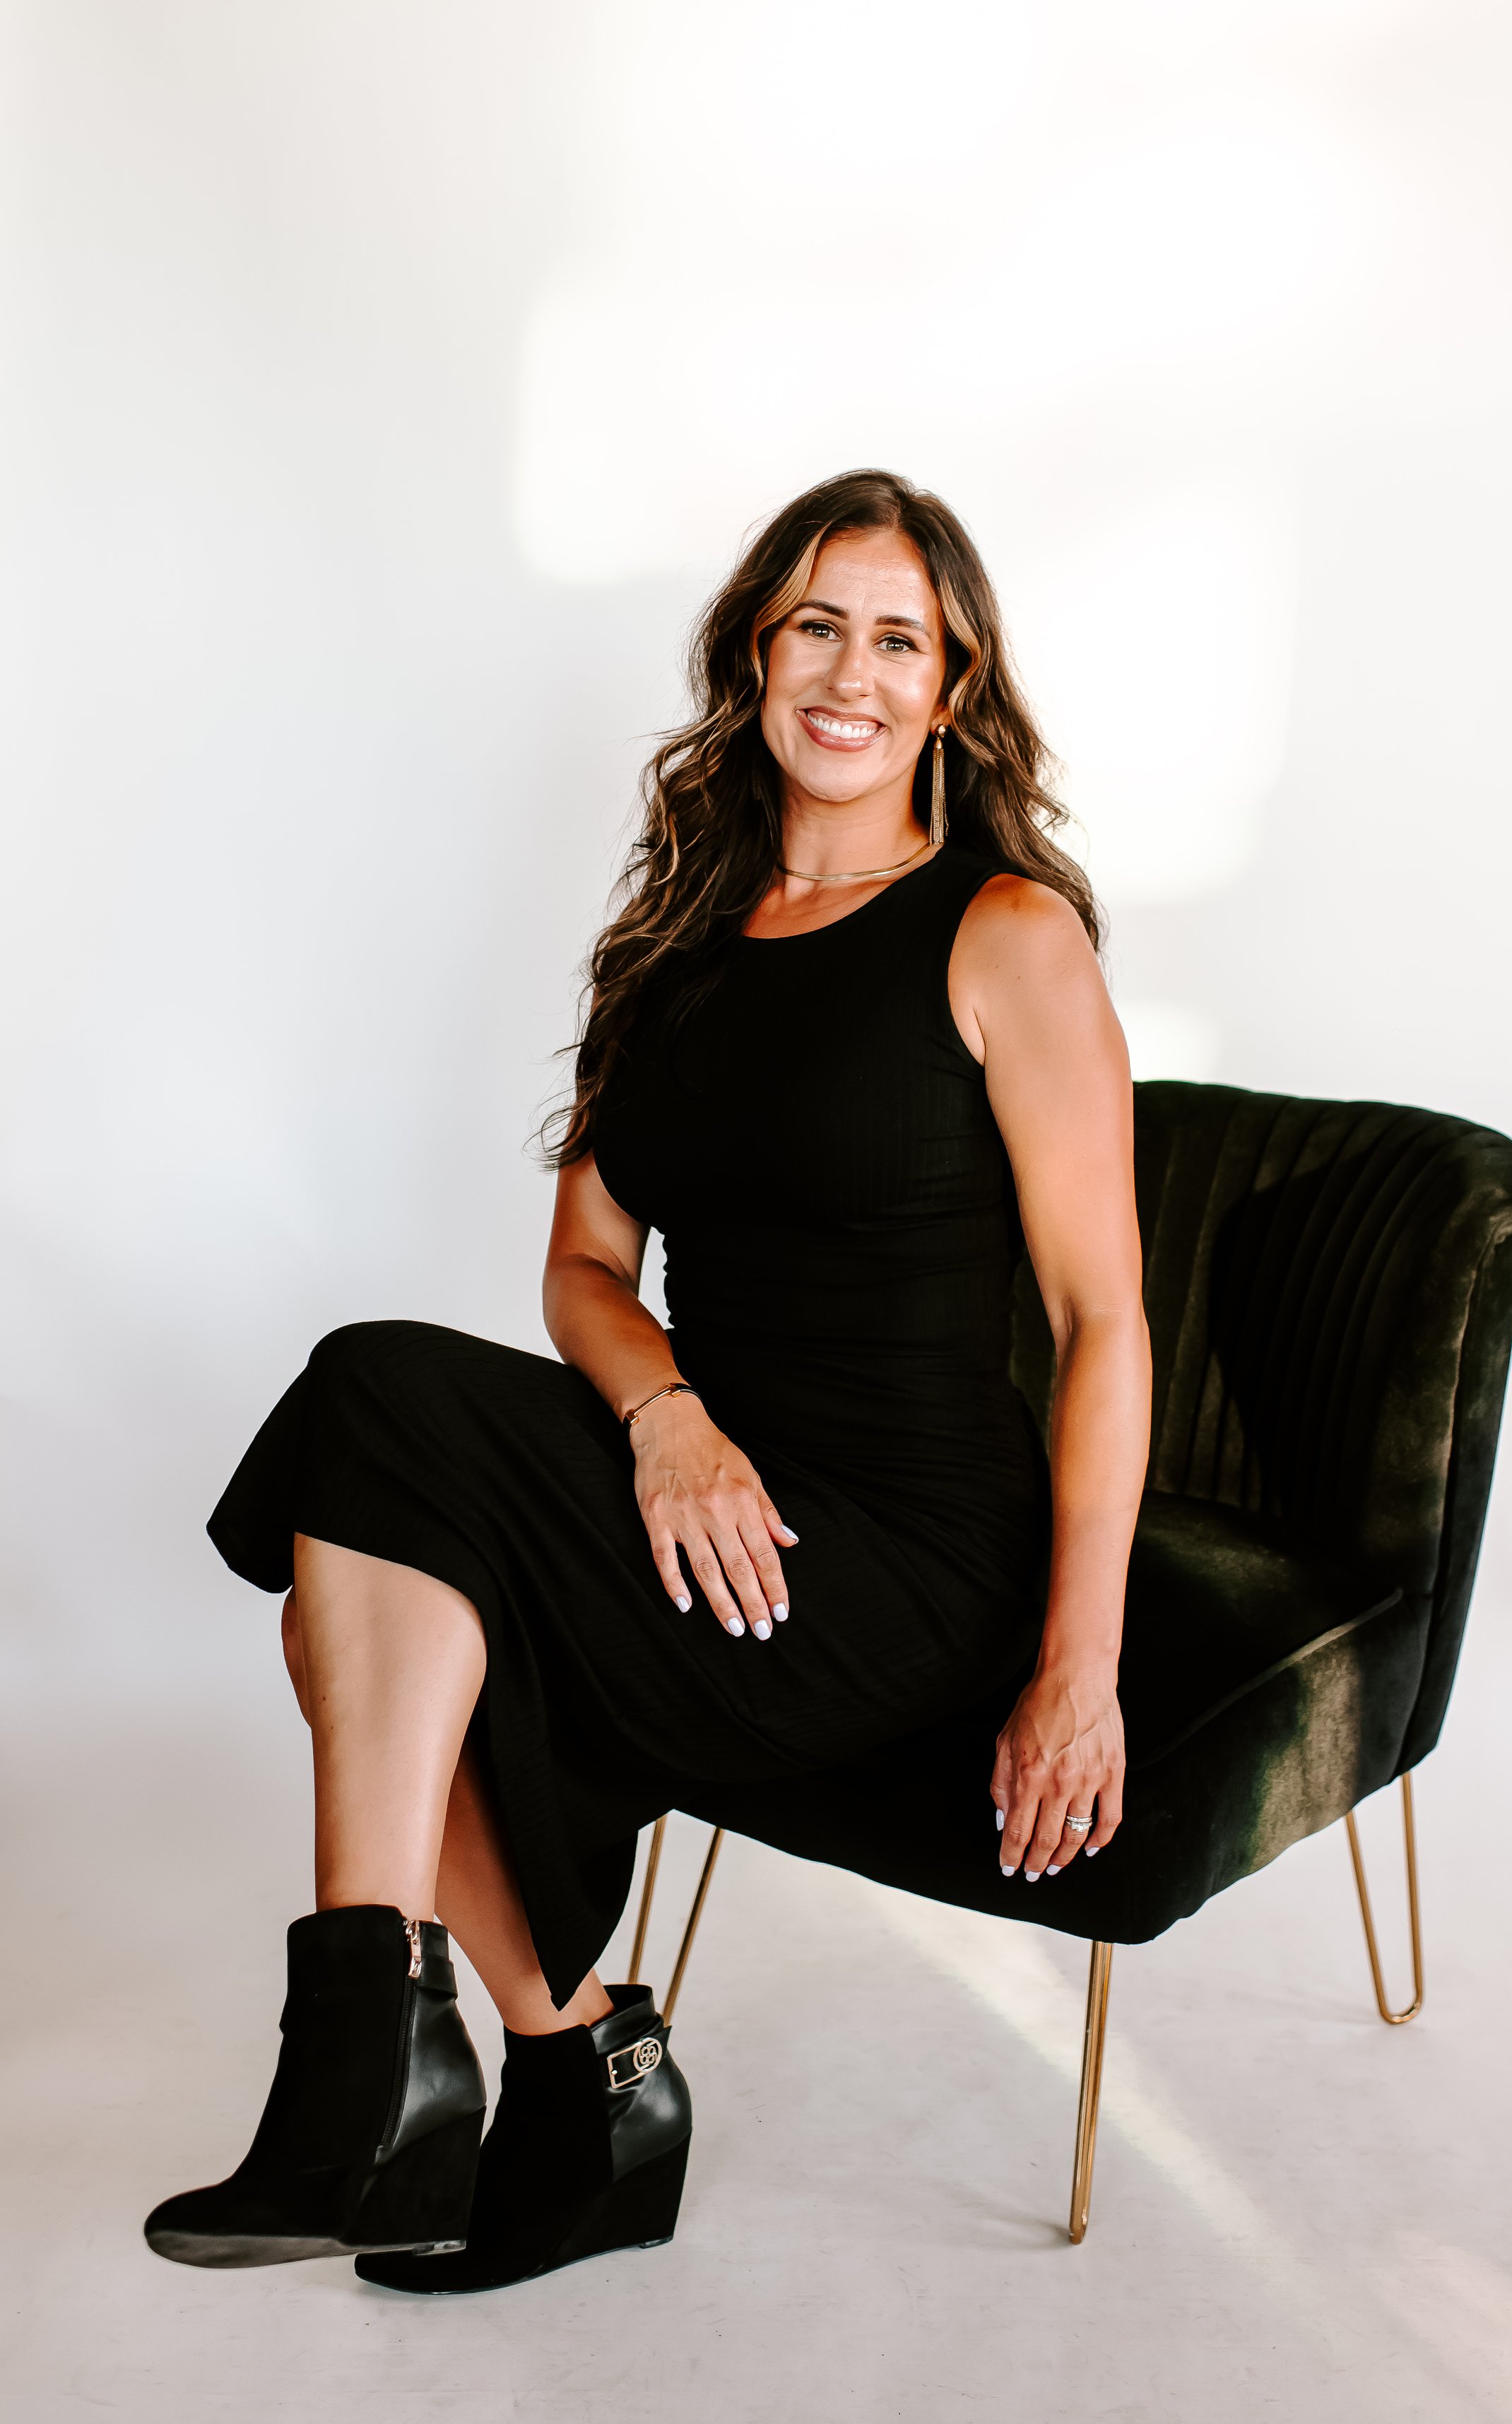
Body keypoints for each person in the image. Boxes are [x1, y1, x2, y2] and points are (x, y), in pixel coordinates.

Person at [143, 468, 1152, 2292]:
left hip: (900, 1559)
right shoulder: (677, 942)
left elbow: (1102, 1328)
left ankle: (409, 2057)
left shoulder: (1004, 934)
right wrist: (667, 1417)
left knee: (367, 1452)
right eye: (814, 627)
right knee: (356, 1531)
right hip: (704, 1498)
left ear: (953, 687)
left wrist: (1077, 1666)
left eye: (897, 637)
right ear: (755, 658)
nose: (850, 671)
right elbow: (585, 1273)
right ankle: (546, 2055)